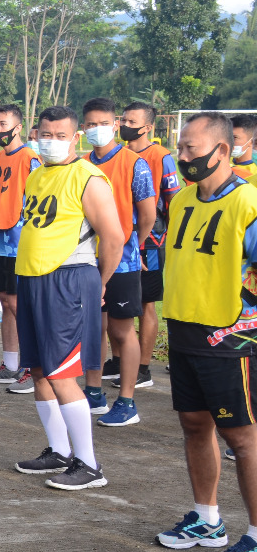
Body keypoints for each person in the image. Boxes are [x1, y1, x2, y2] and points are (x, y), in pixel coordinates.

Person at [155, 111, 257, 552]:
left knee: (243, 437)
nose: (182, 157)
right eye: (180, 148)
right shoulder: (182, 202)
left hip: (229, 336)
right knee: (195, 425)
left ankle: (256, 536)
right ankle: (207, 518)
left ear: (222, 150)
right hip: (184, 328)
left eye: (191, 149)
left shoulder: (249, 204)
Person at [11, 105, 123, 490]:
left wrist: (99, 281)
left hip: (69, 280)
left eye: (61, 136)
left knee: (62, 374)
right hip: (33, 278)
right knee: (39, 370)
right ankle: (58, 451)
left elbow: (113, 238)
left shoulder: (88, 177)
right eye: (46, 134)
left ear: (75, 138)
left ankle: (89, 464)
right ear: (35, 133)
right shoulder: (38, 174)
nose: (52, 141)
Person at [83, 97, 156, 426]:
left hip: (122, 263)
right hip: (86, 261)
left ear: (115, 125)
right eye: (90, 124)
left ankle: (126, 401)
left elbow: (148, 215)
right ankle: (93, 392)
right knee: (94, 328)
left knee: (121, 331)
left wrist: (133, 247)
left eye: (102, 123)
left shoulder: (134, 163)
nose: (95, 129)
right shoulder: (81, 163)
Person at [0, 104, 41, 391]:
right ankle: (10, 364)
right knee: (4, 301)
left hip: (19, 244)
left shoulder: (30, 158)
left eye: (3, 124)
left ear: (18, 127)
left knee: (18, 305)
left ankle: (31, 367)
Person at [117, 100, 179, 390]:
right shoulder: (117, 155)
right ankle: (117, 361)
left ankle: (142, 367)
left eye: (132, 122)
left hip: (150, 241)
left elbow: (174, 201)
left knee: (146, 302)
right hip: (118, 238)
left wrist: (147, 243)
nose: (125, 126)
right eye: (124, 120)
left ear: (148, 127)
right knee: (117, 303)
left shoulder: (161, 157)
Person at [231, 114, 257, 181]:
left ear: (251, 141)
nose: (229, 141)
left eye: (235, 138)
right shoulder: (222, 162)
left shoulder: (254, 173)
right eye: (228, 136)